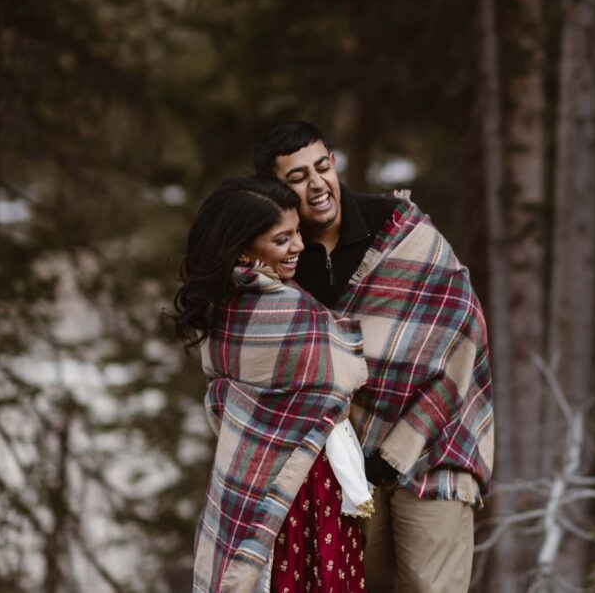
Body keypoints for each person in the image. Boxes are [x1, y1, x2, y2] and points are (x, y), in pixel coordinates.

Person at [255, 122, 495, 592]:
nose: (317, 184)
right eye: (297, 178)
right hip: (344, 459)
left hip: (432, 443)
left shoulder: (400, 229)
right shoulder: (283, 260)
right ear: (275, 191)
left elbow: (464, 334)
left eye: (322, 167)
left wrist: (402, 446)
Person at [171, 177, 374, 592]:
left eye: (298, 231)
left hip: (260, 478)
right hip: (302, 486)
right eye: (283, 239)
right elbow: (345, 373)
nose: (299, 245)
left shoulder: (221, 306)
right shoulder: (287, 308)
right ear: (245, 249)